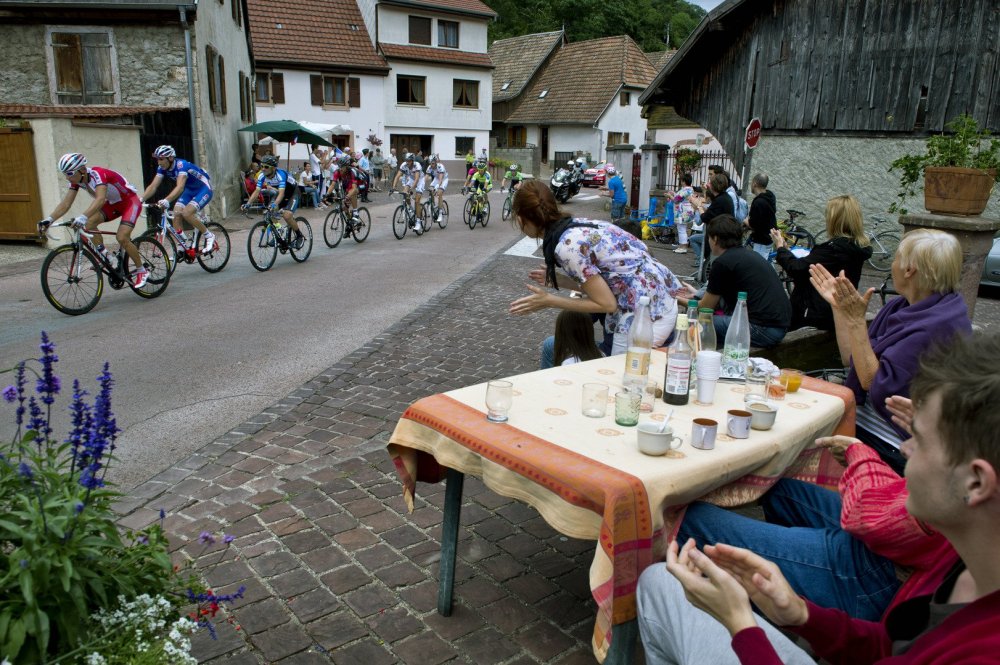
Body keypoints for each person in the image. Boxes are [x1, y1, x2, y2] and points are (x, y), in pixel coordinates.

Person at [636, 331, 1000, 665]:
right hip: (858, 575)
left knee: (658, 581)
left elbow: (872, 521)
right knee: (780, 491)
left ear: (976, 482)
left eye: (919, 441)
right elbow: (886, 647)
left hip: (861, 567)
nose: (903, 450)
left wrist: (740, 624)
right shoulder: (962, 559)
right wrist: (802, 615)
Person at [676, 389, 951, 622]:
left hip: (878, 574)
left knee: (690, 517)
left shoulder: (954, 502)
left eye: (926, 445)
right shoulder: (972, 483)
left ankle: (757, 603)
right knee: (777, 486)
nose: (906, 449)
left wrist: (862, 458)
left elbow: (874, 519)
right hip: (900, 545)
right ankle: (777, 598)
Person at [809, 229, 971, 474]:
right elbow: (851, 360)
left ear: (909, 270)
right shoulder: (906, 306)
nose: (891, 265)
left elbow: (870, 381)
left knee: (801, 442)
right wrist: (840, 307)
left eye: (896, 258)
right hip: (869, 420)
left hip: (893, 442)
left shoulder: (937, 326)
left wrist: (854, 321)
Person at [509, 180, 683, 357]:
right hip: (659, 301)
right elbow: (610, 283)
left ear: (521, 219)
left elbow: (606, 303)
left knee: (625, 377)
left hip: (646, 314)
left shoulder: (566, 247)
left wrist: (549, 300)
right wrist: (562, 281)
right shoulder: (577, 225)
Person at [38, 152, 150, 288]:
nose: (67, 178)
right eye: (65, 174)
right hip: (113, 204)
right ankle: (106, 256)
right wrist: (48, 220)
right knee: (89, 224)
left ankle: (142, 270)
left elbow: (100, 199)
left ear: (83, 170)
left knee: (122, 237)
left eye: (70, 173)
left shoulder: (98, 174)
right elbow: (66, 203)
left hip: (129, 202)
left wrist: (83, 216)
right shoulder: (77, 181)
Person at [771, 194, 873, 331]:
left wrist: (780, 248)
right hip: (838, 310)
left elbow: (796, 268)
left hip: (815, 313)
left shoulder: (833, 249)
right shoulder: (856, 247)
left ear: (834, 220)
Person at [698, 214, 790, 348]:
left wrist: (677, 299)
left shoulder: (722, 263)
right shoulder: (749, 255)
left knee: (699, 322)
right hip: (779, 327)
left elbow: (705, 308)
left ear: (715, 239)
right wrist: (696, 294)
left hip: (762, 329)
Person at [140, 145, 215, 255]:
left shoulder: (181, 166)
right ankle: (182, 244)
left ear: (170, 158)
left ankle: (209, 235)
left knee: (187, 213)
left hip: (203, 188)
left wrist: (166, 200)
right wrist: (141, 199)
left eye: (161, 159)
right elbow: (153, 186)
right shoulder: (162, 168)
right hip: (190, 190)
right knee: (176, 213)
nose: (159, 163)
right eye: (157, 159)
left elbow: (180, 187)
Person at [242, 154, 305, 247]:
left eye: (266, 167)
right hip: (280, 193)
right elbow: (256, 191)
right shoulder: (261, 176)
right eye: (261, 166)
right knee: (269, 212)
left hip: (293, 192)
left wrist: (275, 204)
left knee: (287, 215)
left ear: (273, 168)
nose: (263, 169)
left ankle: (300, 236)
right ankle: (279, 231)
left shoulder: (280, 175)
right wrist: (248, 204)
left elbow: (281, 193)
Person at [392, 152, 425, 233]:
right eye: (406, 160)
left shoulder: (417, 165)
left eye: (409, 160)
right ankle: (410, 207)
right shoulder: (404, 165)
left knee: (417, 200)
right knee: (404, 193)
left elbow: (417, 179)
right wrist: (393, 187)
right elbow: (397, 176)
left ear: (412, 161)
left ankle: (418, 221)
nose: (407, 162)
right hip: (411, 179)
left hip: (420, 180)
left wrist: (412, 189)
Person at [745, 173, 776, 259]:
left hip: (762, 240)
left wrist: (745, 221)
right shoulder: (770, 196)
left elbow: (754, 224)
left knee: (759, 265)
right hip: (770, 236)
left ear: (755, 183)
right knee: (767, 262)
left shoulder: (759, 202)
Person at [671, 173, 696, 253]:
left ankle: (683, 247)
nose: (680, 182)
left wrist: (669, 196)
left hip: (682, 212)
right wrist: (673, 194)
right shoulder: (689, 189)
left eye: (681, 181)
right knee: (682, 229)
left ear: (684, 181)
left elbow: (677, 200)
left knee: (681, 229)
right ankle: (682, 246)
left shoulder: (686, 190)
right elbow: (679, 197)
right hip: (685, 211)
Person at [425, 154, 448, 223]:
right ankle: (434, 205)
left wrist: (437, 187)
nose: (431, 165)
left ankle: (440, 213)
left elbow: (440, 180)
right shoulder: (429, 167)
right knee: (430, 190)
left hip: (443, 179)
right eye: (430, 163)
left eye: (433, 163)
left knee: (439, 193)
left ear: (436, 162)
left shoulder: (440, 166)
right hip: (436, 179)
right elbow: (425, 177)